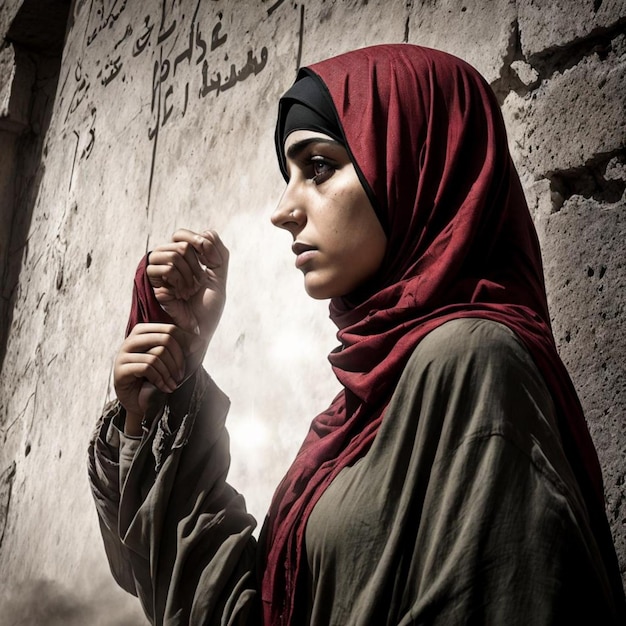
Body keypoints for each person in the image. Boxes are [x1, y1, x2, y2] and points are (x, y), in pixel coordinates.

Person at [88, 44, 626, 625]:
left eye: (318, 168)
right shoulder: (361, 410)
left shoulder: (474, 367)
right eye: (288, 174)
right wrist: (170, 385)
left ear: (413, 163)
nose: (283, 209)